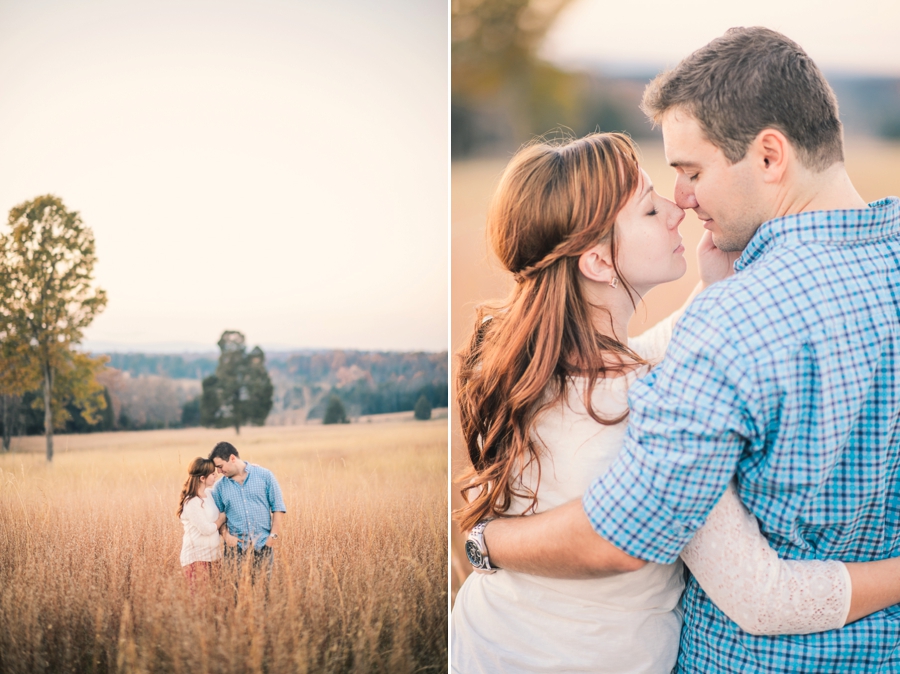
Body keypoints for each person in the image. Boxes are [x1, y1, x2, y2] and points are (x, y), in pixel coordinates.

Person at [469, 27, 900, 673]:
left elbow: (625, 537)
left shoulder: (671, 348)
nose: (681, 204)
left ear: (770, 156)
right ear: (594, 259)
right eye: (652, 208)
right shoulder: (673, 358)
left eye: (691, 173)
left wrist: (483, 543)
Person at [208, 441, 286, 578]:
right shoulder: (219, 487)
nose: (218, 472)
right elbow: (219, 518)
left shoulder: (265, 476)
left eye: (220, 466)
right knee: (237, 594)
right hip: (235, 550)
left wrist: (272, 537)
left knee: (264, 593)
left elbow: (278, 507)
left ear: (232, 458)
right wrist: (226, 536)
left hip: (263, 546)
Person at [177, 457, 227, 591]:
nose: (216, 474)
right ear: (202, 478)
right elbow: (206, 529)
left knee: (216, 598)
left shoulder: (209, 494)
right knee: (201, 601)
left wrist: (249, 468)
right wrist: (221, 520)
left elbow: (226, 483)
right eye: (212, 474)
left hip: (214, 556)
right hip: (197, 558)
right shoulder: (192, 502)